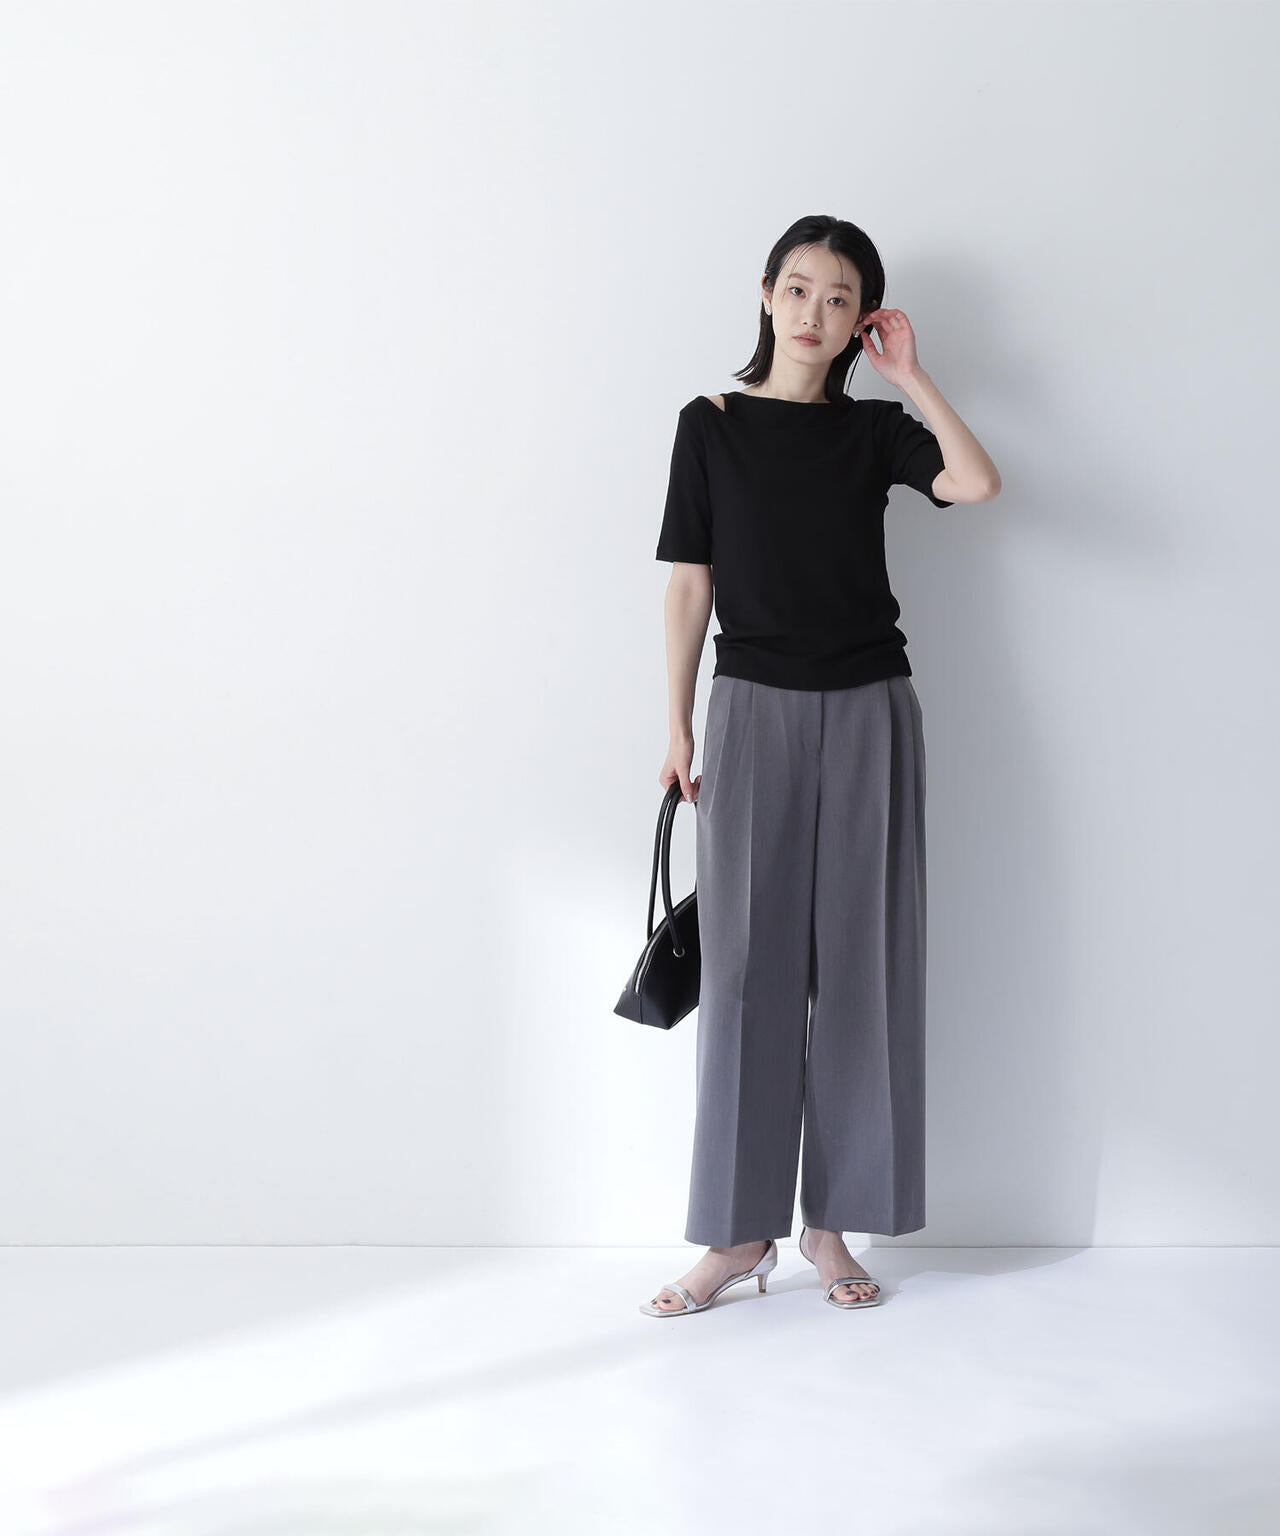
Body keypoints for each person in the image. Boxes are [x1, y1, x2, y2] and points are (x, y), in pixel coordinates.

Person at [642, 215, 1001, 1317]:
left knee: (861, 968)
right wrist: (677, 726)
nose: (813, 311)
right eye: (797, 288)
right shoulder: (708, 426)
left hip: (870, 707)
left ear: (860, 323)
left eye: (839, 298)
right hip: (749, 709)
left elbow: (975, 483)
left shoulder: (874, 431)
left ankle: (829, 1229)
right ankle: (736, 1235)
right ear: (765, 294)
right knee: (746, 975)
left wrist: (913, 376)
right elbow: (689, 583)